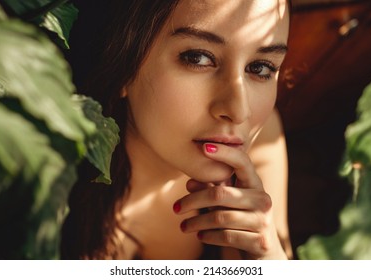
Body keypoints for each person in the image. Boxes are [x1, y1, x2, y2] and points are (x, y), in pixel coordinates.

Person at [61, 0, 291, 260]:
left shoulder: (262, 142)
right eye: (197, 57)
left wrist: (268, 259)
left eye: (260, 68)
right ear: (123, 62)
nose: (239, 111)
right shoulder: (39, 163)